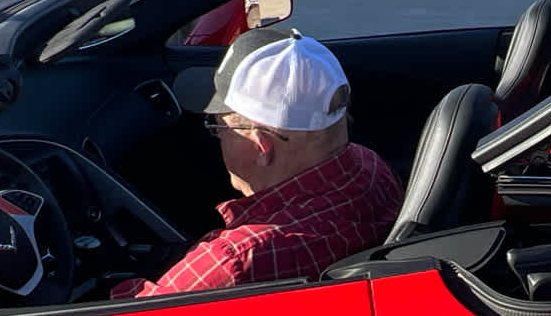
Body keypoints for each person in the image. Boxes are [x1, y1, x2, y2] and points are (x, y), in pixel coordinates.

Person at [111, 28, 402, 298]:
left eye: (218, 125)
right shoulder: (372, 169)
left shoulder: (234, 262)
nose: (217, 137)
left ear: (261, 145)